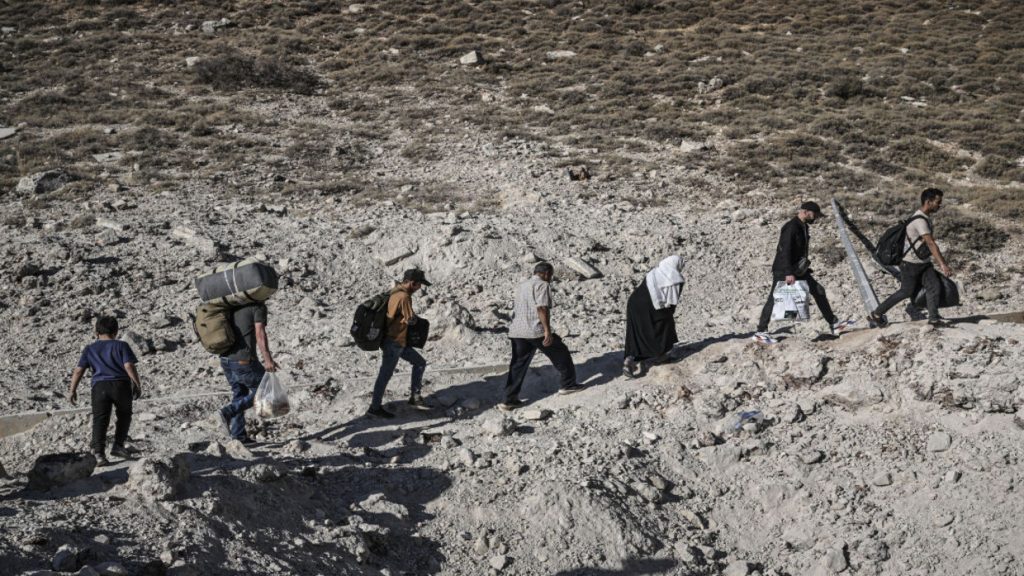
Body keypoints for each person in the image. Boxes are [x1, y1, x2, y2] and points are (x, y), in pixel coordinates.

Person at [753, 201, 853, 344]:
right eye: (815, 214)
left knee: (818, 290)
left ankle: (834, 324)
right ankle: (761, 332)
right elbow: (784, 251)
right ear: (805, 212)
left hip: (798, 270)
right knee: (774, 299)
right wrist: (788, 272)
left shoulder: (803, 226)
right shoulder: (791, 227)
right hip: (784, 269)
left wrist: (803, 267)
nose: (816, 217)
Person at [501, 262, 585, 411]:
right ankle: (568, 384)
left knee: (518, 365)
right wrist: (547, 331)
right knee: (561, 353)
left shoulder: (522, 285)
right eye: (551, 275)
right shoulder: (542, 285)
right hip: (535, 330)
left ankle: (509, 400)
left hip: (517, 331)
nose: (551, 278)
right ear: (546, 273)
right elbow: (541, 308)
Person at [869, 188, 952, 327]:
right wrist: (943, 264)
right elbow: (931, 243)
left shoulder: (924, 218)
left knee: (933, 286)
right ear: (928, 202)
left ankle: (933, 318)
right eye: (938, 202)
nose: (940, 205)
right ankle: (877, 314)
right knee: (906, 291)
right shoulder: (920, 221)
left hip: (923, 262)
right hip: (911, 263)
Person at [68, 316, 143, 466]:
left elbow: (78, 370)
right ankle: (118, 445)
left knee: (100, 419)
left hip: (99, 387)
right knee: (124, 415)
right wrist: (137, 383)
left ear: (96, 332)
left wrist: (72, 390)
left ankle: (99, 454)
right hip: (121, 385)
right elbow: (129, 366)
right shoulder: (121, 345)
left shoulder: (89, 349)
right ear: (116, 331)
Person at [367, 268, 431, 418]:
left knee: (420, 363)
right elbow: (410, 319)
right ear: (412, 283)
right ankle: (374, 408)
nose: (419, 288)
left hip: (397, 341)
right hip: (394, 342)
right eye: (419, 284)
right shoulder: (404, 296)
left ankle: (415, 397)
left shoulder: (394, 292)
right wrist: (419, 322)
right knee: (385, 375)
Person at [216, 301, 278, 443]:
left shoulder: (232, 304)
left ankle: (238, 436)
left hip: (225, 360)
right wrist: (268, 360)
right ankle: (227, 411)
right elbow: (260, 334)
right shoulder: (257, 307)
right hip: (244, 361)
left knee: (240, 394)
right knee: (267, 388)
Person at [623, 255, 685, 377]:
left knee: (636, 332)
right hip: (650, 306)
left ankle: (629, 361)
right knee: (665, 327)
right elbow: (672, 304)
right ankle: (662, 355)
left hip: (634, 303)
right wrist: (667, 316)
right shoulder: (676, 278)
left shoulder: (654, 272)